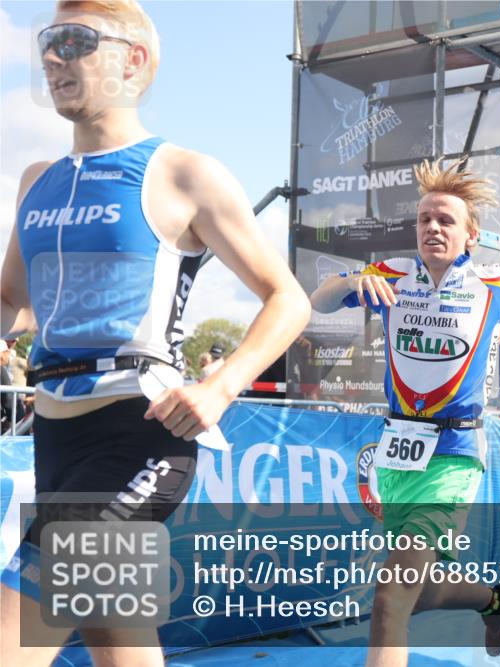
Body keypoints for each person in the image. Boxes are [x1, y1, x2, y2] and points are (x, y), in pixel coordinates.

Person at [0, 2, 312, 664]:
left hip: (141, 436)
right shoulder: (37, 181)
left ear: (133, 59)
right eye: (48, 42)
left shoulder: (183, 173)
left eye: (75, 41)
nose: (54, 57)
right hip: (56, 439)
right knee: (120, 645)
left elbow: (287, 298)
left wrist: (222, 386)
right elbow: (11, 301)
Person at [310, 158, 500, 664]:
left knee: (388, 598)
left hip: (455, 453)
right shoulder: (391, 274)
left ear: (471, 234)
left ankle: (495, 598)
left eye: (445, 220)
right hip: (398, 454)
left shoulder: (494, 282)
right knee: (416, 592)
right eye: (424, 220)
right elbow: (320, 300)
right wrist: (352, 282)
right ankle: (497, 598)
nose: (432, 228)